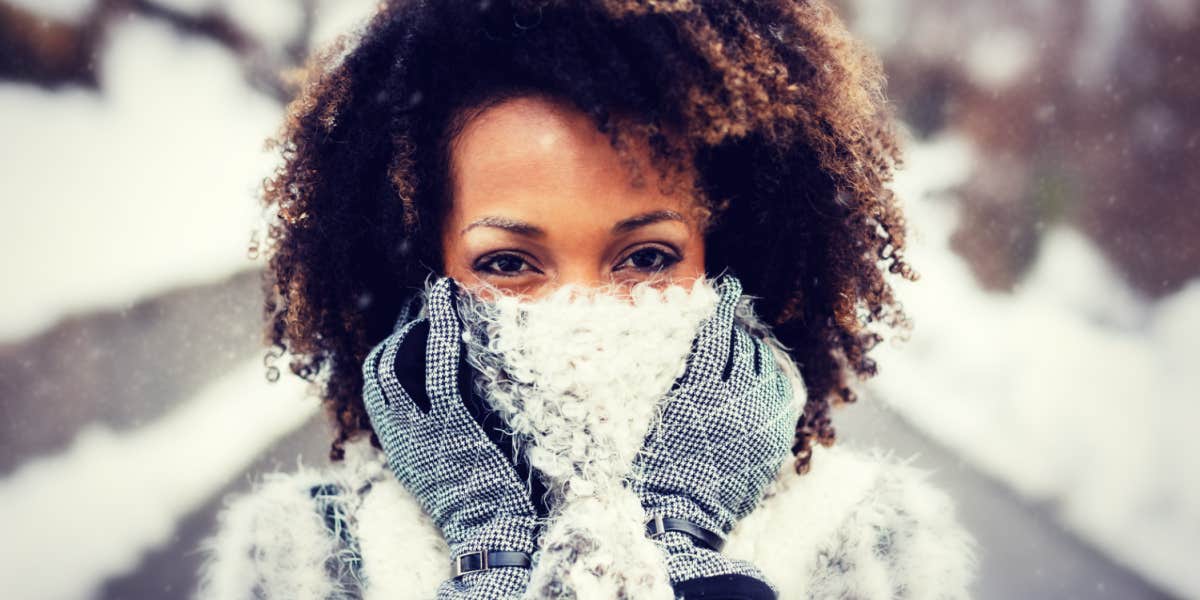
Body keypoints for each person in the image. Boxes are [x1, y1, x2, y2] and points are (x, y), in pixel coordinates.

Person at [194, 1, 978, 598]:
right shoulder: (308, 557)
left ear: (729, 255)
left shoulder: (868, 544)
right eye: (509, 262)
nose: (583, 316)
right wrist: (491, 555)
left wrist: (684, 556)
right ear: (423, 272)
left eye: (644, 257)